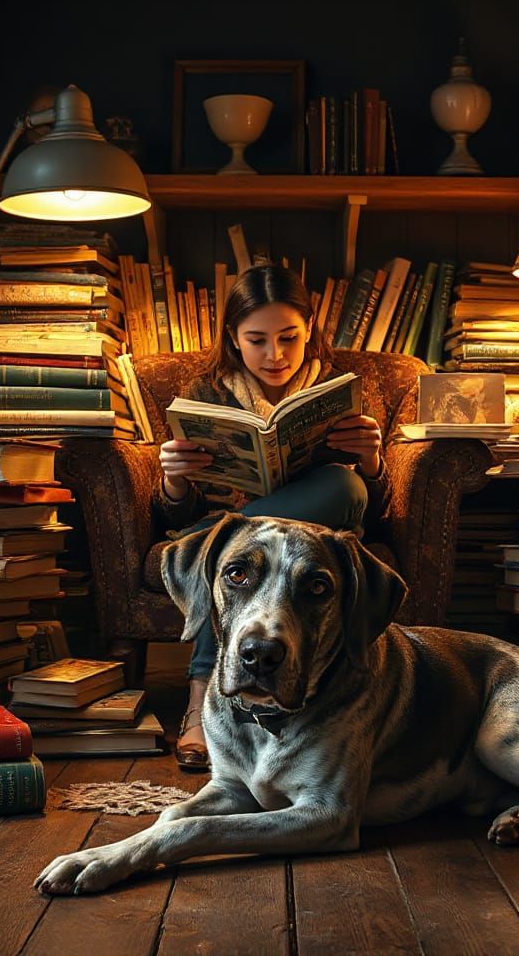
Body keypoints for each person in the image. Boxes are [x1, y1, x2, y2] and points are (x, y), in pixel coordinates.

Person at [153, 263, 390, 770]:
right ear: (234, 340)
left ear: (310, 331)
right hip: (226, 533)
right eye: (256, 340)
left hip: (298, 536)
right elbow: (177, 511)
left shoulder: (337, 390)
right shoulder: (204, 395)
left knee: (343, 484)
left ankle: (218, 561)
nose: (275, 355)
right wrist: (174, 479)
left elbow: (368, 506)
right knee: (228, 556)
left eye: (289, 337)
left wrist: (371, 461)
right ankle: (202, 701)